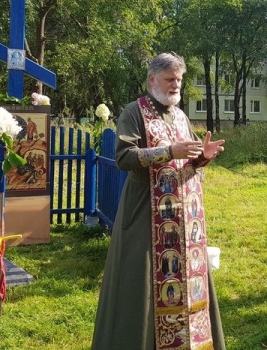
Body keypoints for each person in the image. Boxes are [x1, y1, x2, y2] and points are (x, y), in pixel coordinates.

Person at [91, 52, 226, 350]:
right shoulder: (133, 112)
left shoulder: (180, 115)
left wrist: (203, 157)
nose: (176, 85)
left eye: (179, 79)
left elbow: (187, 161)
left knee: (186, 281)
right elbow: (124, 157)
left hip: (183, 219)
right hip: (145, 214)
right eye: (170, 79)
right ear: (152, 80)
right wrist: (168, 152)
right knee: (142, 285)